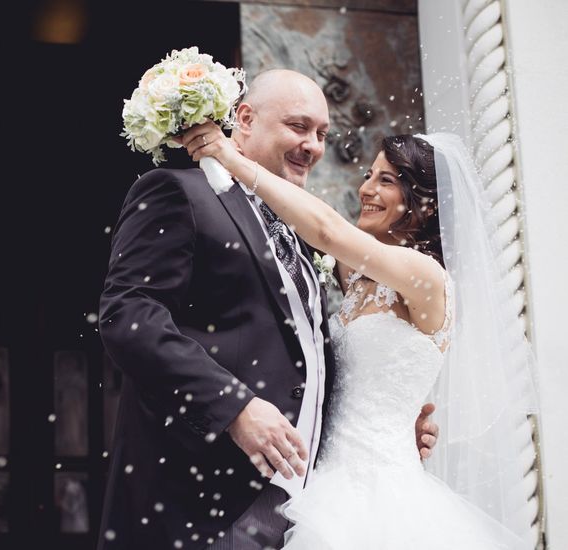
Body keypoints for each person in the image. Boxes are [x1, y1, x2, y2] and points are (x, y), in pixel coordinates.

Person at [97, 69, 437, 550]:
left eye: (321, 133)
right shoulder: (179, 193)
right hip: (201, 499)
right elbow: (129, 315)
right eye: (298, 127)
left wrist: (394, 422)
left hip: (300, 511)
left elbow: (307, 352)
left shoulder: (301, 231)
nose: (314, 146)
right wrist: (234, 406)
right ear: (245, 118)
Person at [182, 121, 537, 548]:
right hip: (319, 482)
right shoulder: (355, 275)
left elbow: (327, 229)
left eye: (385, 180)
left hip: (381, 497)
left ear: (426, 204)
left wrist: (231, 158)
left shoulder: (425, 275)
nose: (366, 189)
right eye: (368, 174)